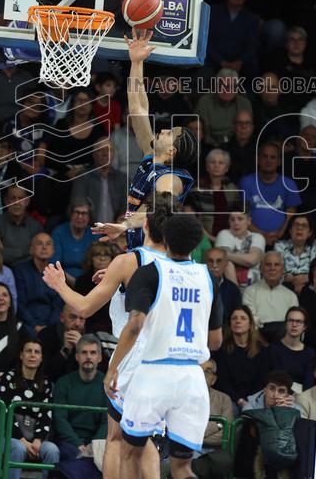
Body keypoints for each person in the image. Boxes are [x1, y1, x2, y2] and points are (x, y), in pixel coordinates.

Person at [43, 194, 179, 478]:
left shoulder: (129, 261)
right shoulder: (181, 263)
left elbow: (83, 307)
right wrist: (118, 278)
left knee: (118, 438)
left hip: (137, 354)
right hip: (170, 357)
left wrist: (59, 285)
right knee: (145, 438)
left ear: (147, 226)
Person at [106, 214, 222, 479]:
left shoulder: (149, 273)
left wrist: (113, 368)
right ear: (197, 244)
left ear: (165, 238)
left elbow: (135, 326)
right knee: (183, 468)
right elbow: (215, 342)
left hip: (154, 372)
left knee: (129, 452)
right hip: (192, 377)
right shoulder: (209, 279)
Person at [95, 30, 196, 250]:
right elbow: (138, 108)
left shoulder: (171, 179)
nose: (164, 131)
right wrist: (136, 62)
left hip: (157, 254)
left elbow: (157, 209)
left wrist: (124, 225)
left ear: (172, 152)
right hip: (138, 248)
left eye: (171, 133)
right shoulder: (151, 158)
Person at [1, 340, 62, 479]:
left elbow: (46, 415)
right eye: (28, 351)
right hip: (9, 437)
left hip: (36, 439)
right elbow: (5, 413)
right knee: (18, 447)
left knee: (52, 450)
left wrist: (38, 440)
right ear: (21, 355)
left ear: (41, 358)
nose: (32, 355)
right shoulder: (9, 377)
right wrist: (22, 439)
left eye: (37, 352)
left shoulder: (46, 383)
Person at [53, 334, 109, 461]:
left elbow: (107, 422)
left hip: (98, 443)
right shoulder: (63, 383)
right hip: (68, 443)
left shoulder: (107, 385)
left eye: (93, 353)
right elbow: (60, 419)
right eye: (84, 352)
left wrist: (92, 446)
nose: (88, 356)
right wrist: (78, 444)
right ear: (77, 357)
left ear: (99, 358)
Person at [214, 306, 272, 411]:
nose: (238, 321)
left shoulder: (262, 351)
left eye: (243, 318)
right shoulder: (221, 350)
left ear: (250, 324)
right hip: (231, 399)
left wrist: (250, 401)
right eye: (234, 318)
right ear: (230, 324)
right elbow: (222, 382)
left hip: (255, 398)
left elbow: (262, 380)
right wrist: (240, 401)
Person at [242, 251, 299, 340]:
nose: (272, 268)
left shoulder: (291, 296)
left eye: (276, 265)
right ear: (261, 268)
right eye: (268, 264)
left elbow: (295, 323)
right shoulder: (250, 292)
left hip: (285, 341)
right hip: (257, 340)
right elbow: (251, 321)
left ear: (283, 269)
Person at [192, 360, 235, 479]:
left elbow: (225, 435)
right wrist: (218, 425)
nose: (201, 374)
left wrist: (197, 434)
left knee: (221, 464)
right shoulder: (184, 397)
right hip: (191, 449)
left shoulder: (224, 399)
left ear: (214, 379)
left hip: (217, 451)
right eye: (199, 370)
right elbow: (186, 432)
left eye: (207, 371)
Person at [14, 233, 63, 332]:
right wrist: (34, 326)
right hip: (26, 324)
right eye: (39, 243)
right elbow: (20, 303)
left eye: (48, 244)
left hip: (51, 325)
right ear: (31, 249)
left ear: (53, 250)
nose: (44, 247)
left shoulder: (58, 273)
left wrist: (48, 328)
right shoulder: (20, 270)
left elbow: (58, 306)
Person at [268, 306, 315, 389]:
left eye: (299, 321)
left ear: (304, 327)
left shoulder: (310, 353)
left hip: (301, 398)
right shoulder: (273, 349)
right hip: (277, 394)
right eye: (291, 320)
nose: (294, 324)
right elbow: (273, 379)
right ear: (285, 324)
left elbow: (308, 384)